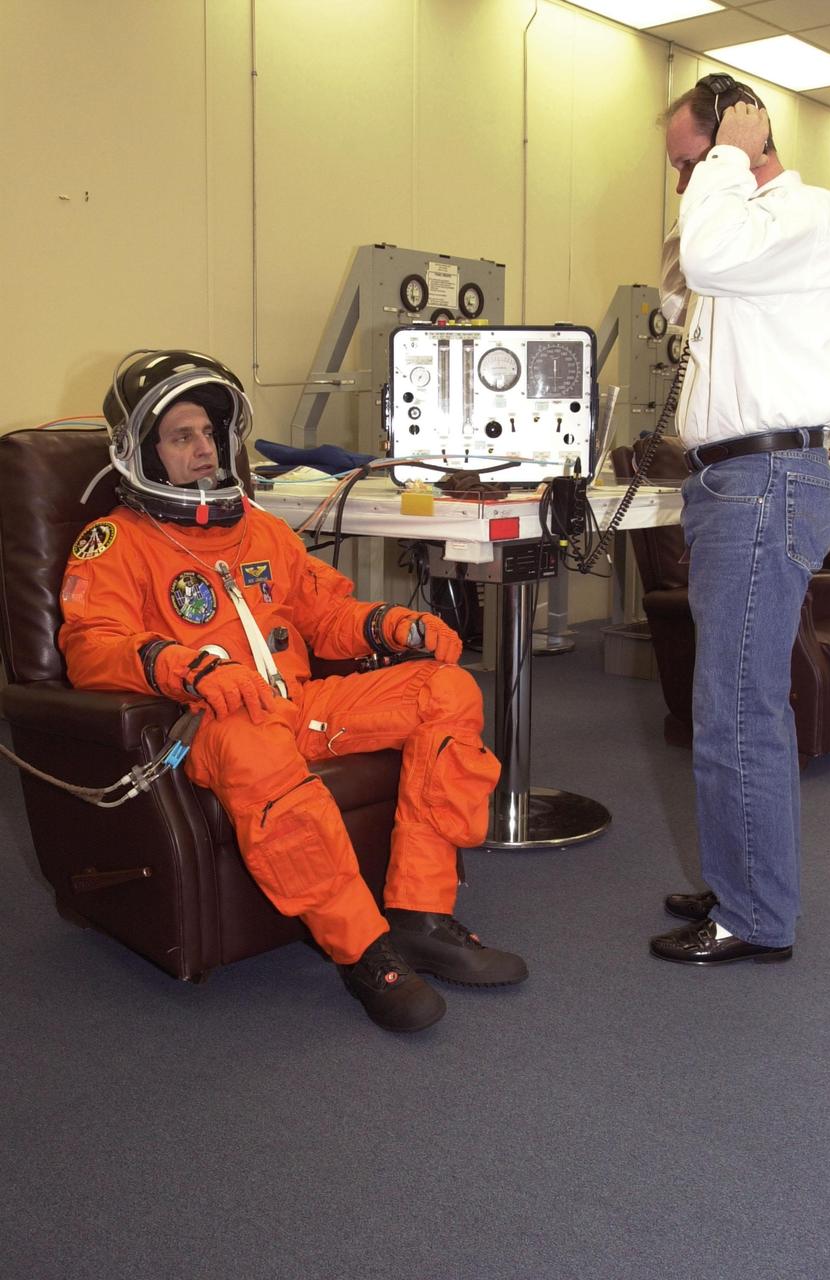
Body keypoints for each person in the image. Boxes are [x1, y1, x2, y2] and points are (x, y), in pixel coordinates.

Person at [59, 349, 527, 1028]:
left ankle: (422, 911)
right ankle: (364, 951)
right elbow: (89, 647)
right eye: (181, 436)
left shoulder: (263, 530)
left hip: (301, 706)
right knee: (255, 750)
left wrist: (390, 624)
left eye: (211, 434)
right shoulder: (113, 543)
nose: (204, 449)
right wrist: (179, 665)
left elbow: (321, 614)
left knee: (445, 690)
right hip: (217, 725)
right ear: (141, 451)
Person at [651, 76, 830, 965]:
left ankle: (754, 914)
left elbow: (717, 260)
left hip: (765, 480)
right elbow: (694, 316)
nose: (686, 185)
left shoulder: (804, 217)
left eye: (691, 161)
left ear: (739, 135)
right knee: (722, 699)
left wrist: (727, 152)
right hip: (732, 483)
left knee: (736, 709)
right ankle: (742, 873)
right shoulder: (739, 232)